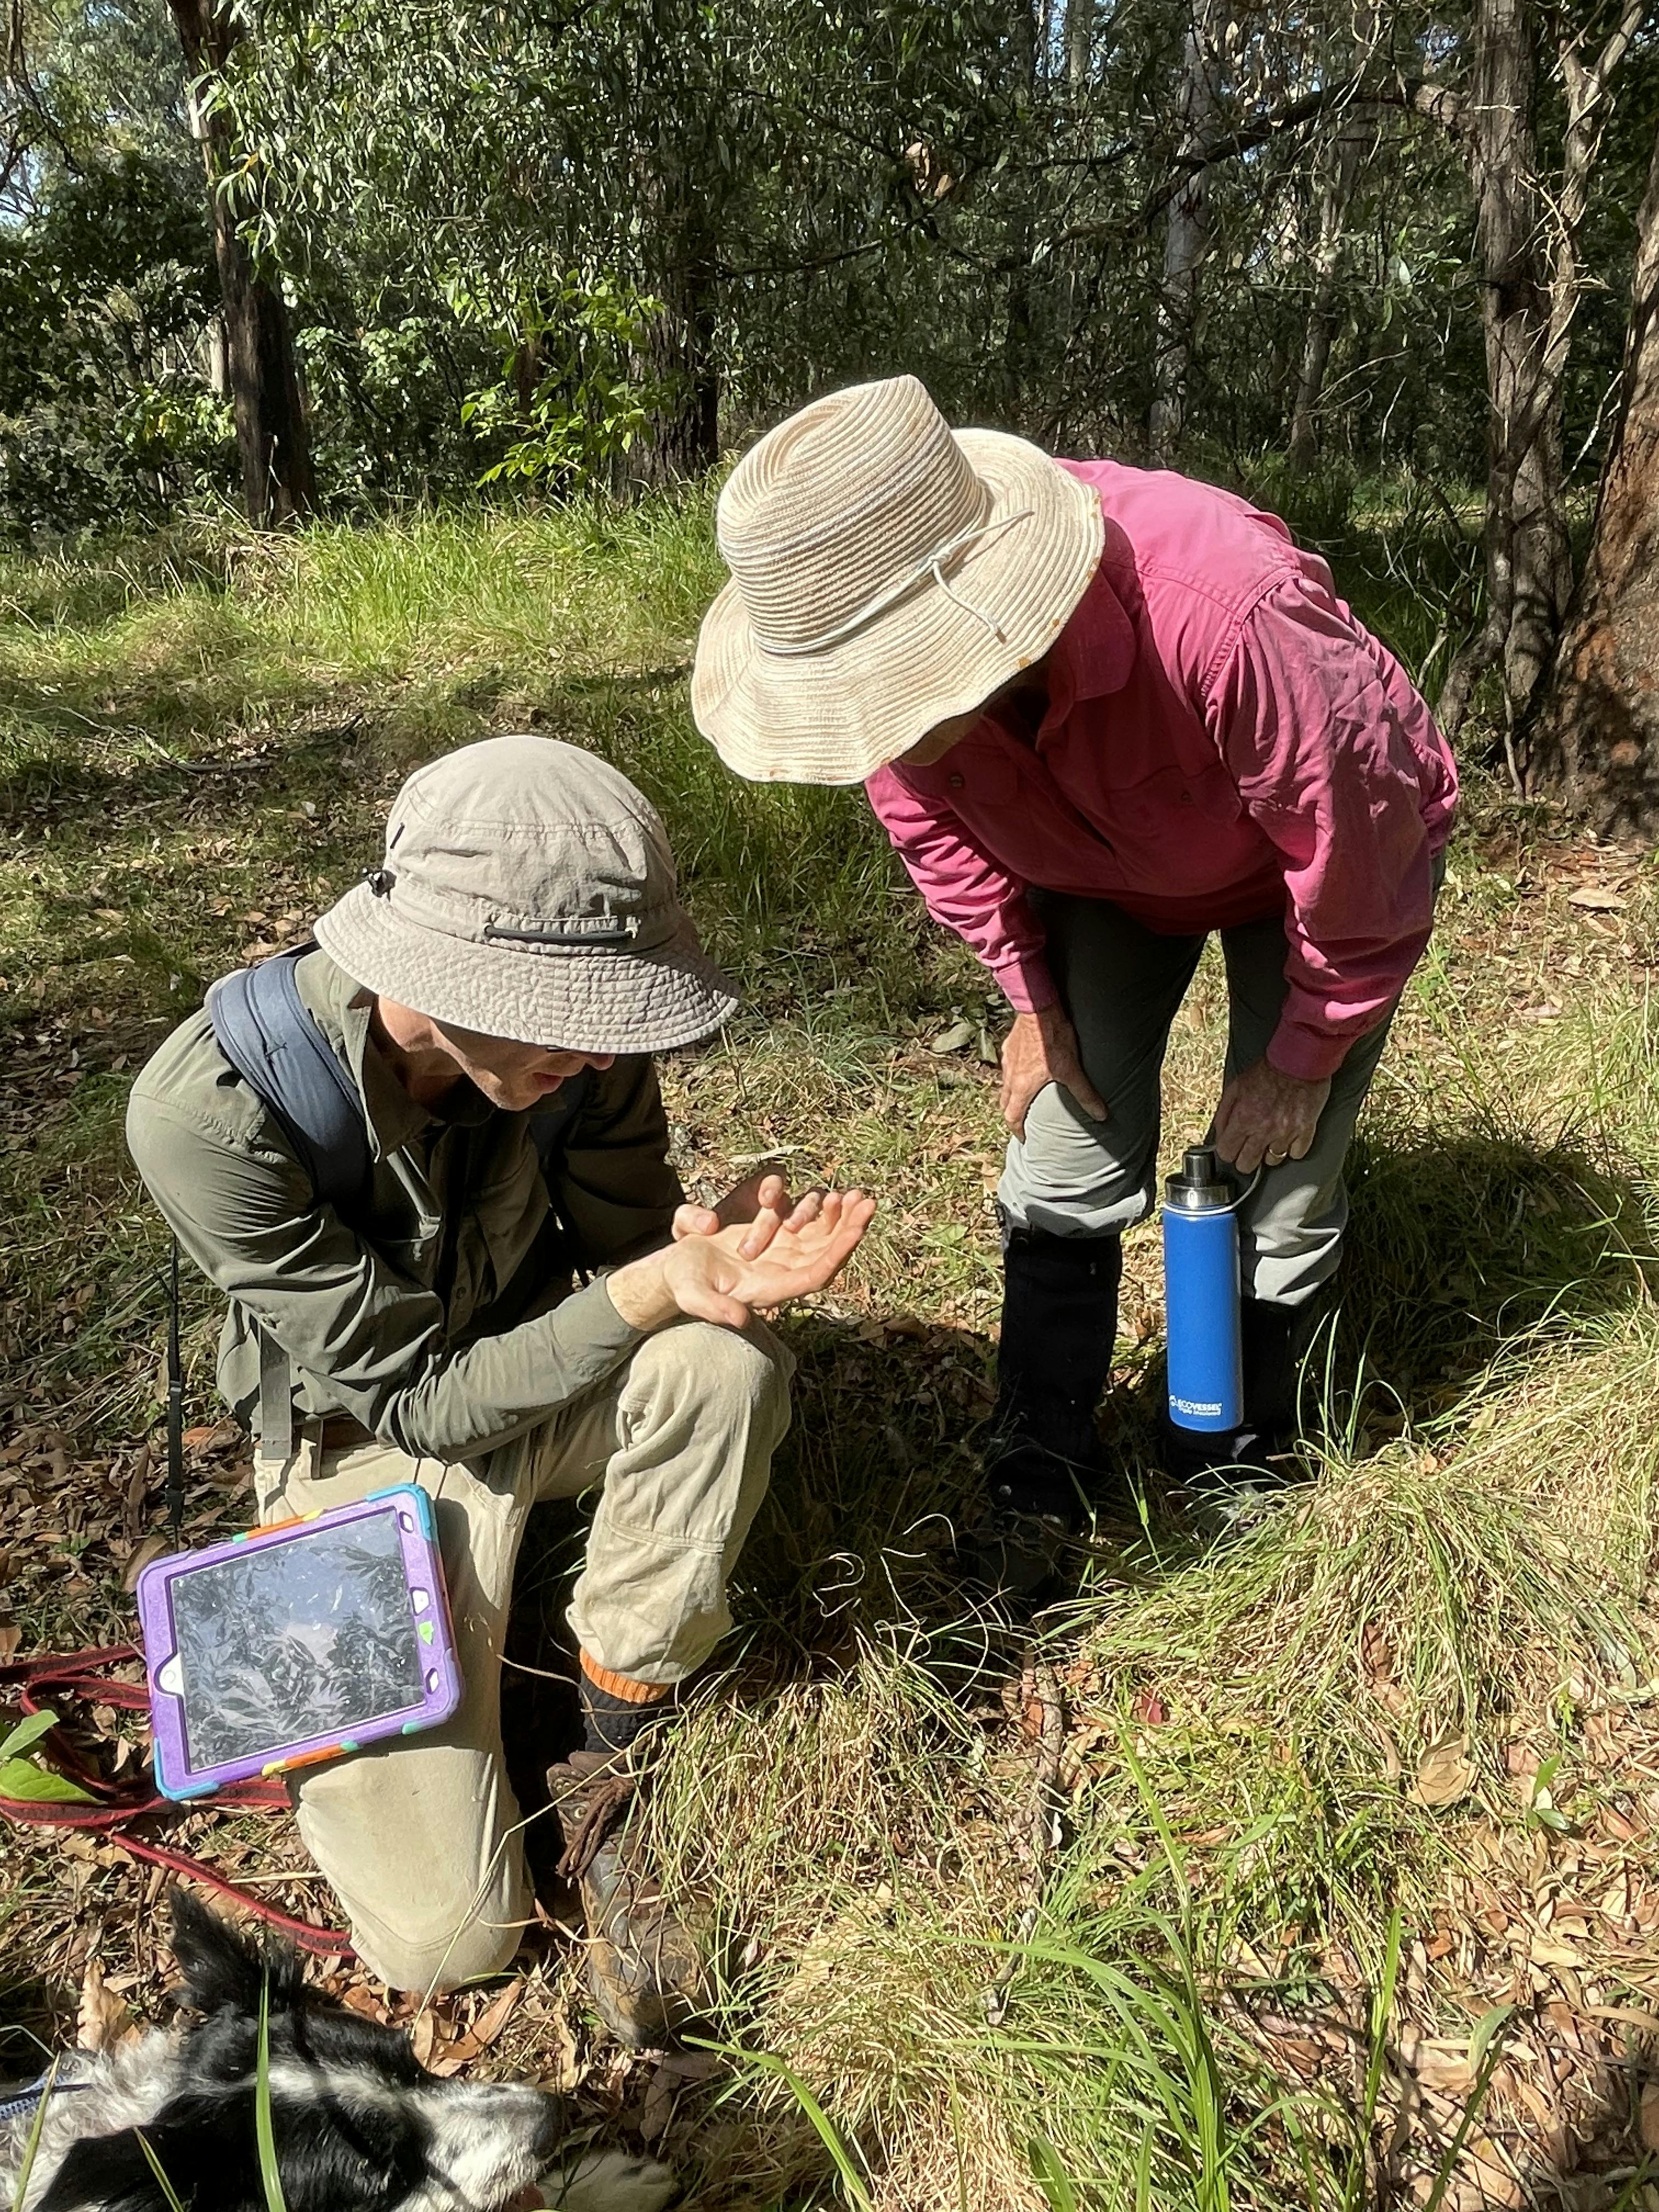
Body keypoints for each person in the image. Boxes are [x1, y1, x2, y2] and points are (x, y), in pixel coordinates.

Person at [126, 735, 874, 2036]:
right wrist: (651, 1288)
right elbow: (421, 1406)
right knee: (447, 1943)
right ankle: (495, 1655)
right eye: (572, 1025)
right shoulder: (209, 1114)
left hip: (545, 1371)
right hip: (361, 1444)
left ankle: (603, 1738)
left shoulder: (579, 1055)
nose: (599, 1057)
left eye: (613, 1027)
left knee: (723, 1360)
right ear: (433, 970)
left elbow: (633, 1246)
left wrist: (706, 1253)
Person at [691, 374, 1455, 1596]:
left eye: (899, 686)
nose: (884, 727)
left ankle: (1234, 1451)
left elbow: (1359, 852)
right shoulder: (888, 721)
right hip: (1099, 876)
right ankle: (1038, 1457)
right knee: (1064, 1146)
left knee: (1281, 1184)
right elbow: (936, 835)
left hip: (1307, 874)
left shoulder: (1224, 612)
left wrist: (1301, 1060)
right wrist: (1031, 997)